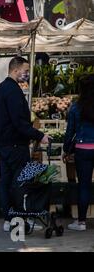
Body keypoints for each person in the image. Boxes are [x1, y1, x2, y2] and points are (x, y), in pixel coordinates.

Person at [0, 56, 49, 232]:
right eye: (26, 71)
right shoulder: (13, 91)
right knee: (20, 183)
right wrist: (40, 135)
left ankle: (9, 220)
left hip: (2, 145)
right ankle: (22, 220)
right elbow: (19, 121)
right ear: (15, 70)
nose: (28, 74)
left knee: (6, 182)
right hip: (15, 145)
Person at [64, 74, 94, 231]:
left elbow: (70, 132)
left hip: (83, 150)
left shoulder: (76, 107)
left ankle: (81, 222)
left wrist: (66, 150)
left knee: (84, 186)